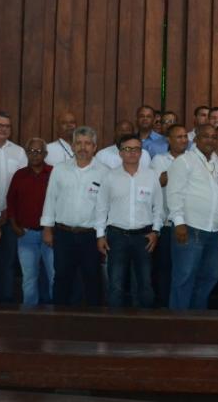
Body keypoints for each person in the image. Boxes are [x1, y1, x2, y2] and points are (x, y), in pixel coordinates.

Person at [40, 126, 107, 306]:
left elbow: (105, 208)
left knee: (92, 278)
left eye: (87, 143)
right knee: (62, 277)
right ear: (72, 146)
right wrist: (47, 229)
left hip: (91, 236)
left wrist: (102, 235)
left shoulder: (104, 172)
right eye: (79, 143)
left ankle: (94, 319)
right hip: (63, 234)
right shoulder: (60, 169)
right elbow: (50, 199)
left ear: (95, 147)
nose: (83, 147)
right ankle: (58, 318)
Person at [95, 134, 163, 308]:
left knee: (144, 285)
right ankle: (115, 321)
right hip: (117, 236)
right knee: (116, 284)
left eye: (136, 149)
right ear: (120, 153)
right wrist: (100, 235)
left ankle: (143, 321)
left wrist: (156, 232)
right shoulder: (110, 177)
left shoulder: (151, 176)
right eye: (127, 149)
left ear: (141, 152)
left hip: (144, 237)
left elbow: (158, 207)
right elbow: (101, 208)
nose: (132, 152)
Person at [166, 124, 218, 310]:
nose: (211, 140)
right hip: (190, 228)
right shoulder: (184, 161)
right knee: (184, 277)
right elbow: (174, 193)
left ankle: (197, 319)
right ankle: (178, 321)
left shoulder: (217, 163)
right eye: (206, 136)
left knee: (209, 277)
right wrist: (179, 223)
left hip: (213, 231)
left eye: (214, 137)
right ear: (196, 139)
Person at [0, 111, 28, 303]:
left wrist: (7, 212)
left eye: (7, 126)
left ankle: (6, 303)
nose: (3, 129)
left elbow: (23, 186)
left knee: (8, 262)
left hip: (10, 216)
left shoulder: (18, 152)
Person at [6, 138, 53, 305]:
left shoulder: (54, 173)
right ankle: (29, 314)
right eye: (31, 151)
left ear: (45, 154)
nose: (35, 155)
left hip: (50, 235)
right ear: (26, 153)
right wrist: (14, 226)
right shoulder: (19, 175)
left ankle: (54, 314)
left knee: (54, 276)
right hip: (26, 235)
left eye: (38, 151)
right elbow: (11, 202)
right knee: (29, 277)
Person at [150, 123, 189, 307]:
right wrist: (166, 177)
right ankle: (164, 307)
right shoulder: (159, 160)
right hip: (166, 223)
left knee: (184, 269)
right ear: (169, 140)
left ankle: (181, 307)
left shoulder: (191, 159)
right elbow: (154, 185)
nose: (183, 140)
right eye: (179, 137)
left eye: (185, 136)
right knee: (164, 268)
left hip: (188, 222)